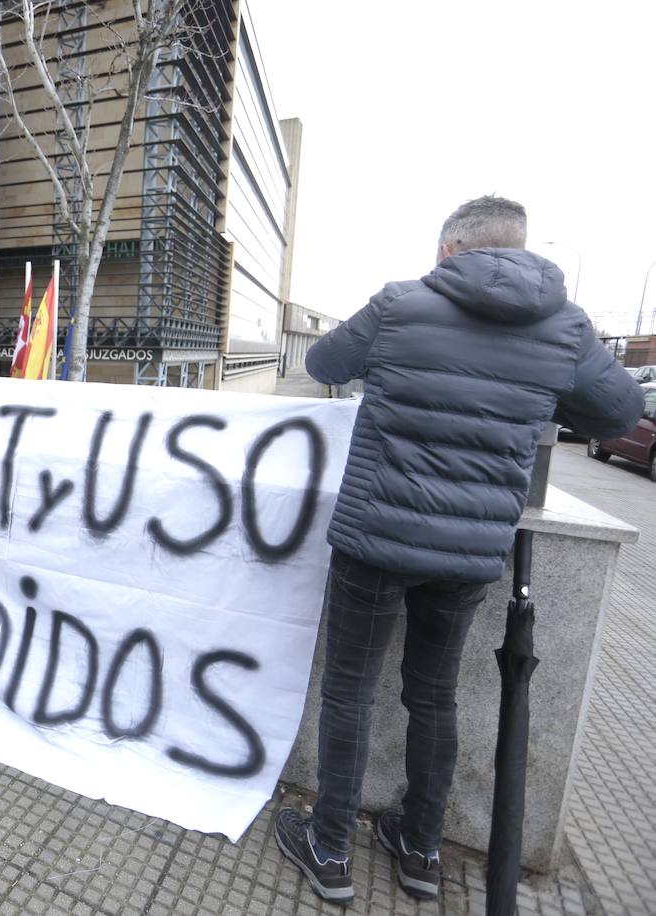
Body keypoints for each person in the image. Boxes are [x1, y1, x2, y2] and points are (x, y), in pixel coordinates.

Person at [275, 197, 643, 905]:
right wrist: (540, 397)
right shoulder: (564, 326)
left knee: (349, 688)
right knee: (433, 692)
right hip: (469, 553)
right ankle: (420, 849)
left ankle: (329, 849)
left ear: (450, 251)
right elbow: (620, 412)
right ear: (523, 250)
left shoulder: (401, 304)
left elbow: (324, 360)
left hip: (375, 540)